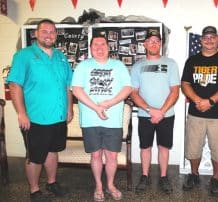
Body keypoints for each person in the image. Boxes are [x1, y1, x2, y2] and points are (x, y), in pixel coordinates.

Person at [7, 19, 73, 202]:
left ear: (56, 35)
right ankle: (34, 190)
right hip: (35, 118)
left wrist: (69, 108)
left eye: (52, 32)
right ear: (35, 33)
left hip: (58, 117)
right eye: (44, 31)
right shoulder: (23, 55)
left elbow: (67, 85)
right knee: (35, 157)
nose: (49, 35)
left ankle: (52, 182)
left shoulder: (61, 56)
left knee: (53, 151)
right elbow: (14, 85)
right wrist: (21, 113)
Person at [71, 35, 132, 201]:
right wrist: (96, 107)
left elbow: (127, 88)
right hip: (90, 120)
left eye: (103, 44)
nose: (99, 47)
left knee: (111, 156)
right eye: (95, 44)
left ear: (108, 47)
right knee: (96, 155)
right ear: (90, 48)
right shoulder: (83, 66)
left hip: (112, 120)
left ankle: (110, 184)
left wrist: (110, 103)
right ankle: (98, 185)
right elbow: (76, 90)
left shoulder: (118, 66)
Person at [181, 26, 218, 196]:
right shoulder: (192, 61)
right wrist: (198, 100)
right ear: (201, 40)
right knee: (193, 147)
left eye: (213, 37)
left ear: (217, 39)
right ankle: (194, 174)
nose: (209, 40)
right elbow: (185, 84)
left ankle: (215, 177)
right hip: (196, 113)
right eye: (206, 37)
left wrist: (211, 101)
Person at [131, 29, 180, 194]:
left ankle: (164, 177)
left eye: (157, 41)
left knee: (163, 147)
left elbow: (175, 91)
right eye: (150, 41)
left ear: (161, 44)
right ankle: (144, 176)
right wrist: (150, 110)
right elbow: (134, 93)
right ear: (144, 44)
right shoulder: (137, 66)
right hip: (145, 115)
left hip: (166, 115)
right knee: (145, 147)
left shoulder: (171, 64)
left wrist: (161, 112)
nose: (154, 43)